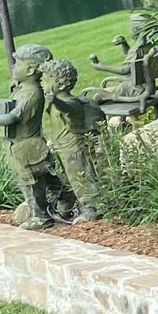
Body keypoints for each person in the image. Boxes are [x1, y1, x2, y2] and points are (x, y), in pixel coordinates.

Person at [0, 44, 63, 229]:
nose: (13, 68)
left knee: (32, 183)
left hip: (26, 146)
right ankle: (62, 204)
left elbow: (12, 117)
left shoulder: (32, 93)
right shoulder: (26, 88)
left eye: (18, 64)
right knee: (42, 179)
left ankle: (40, 216)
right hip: (19, 146)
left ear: (31, 69)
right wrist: (17, 84)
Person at [41, 58, 104, 221]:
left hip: (73, 147)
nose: (42, 82)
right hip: (62, 147)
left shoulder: (70, 102)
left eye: (46, 80)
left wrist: (55, 100)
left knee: (81, 176)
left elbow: (68, 108)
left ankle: (91, 208)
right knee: (73, 178)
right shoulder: (57, 102)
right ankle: (80, 206)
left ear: (60, 84)